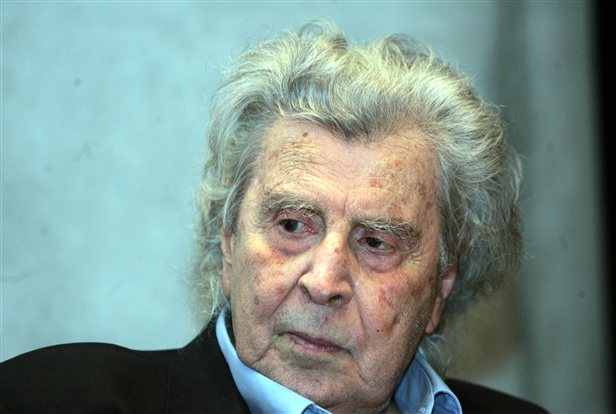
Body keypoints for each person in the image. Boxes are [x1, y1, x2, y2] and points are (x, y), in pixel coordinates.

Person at [1, 22, 547, 414]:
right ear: (228, 243)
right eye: (292, 226)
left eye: (376, 242)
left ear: (439, 289)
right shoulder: (48, 399)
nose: (324, 283)